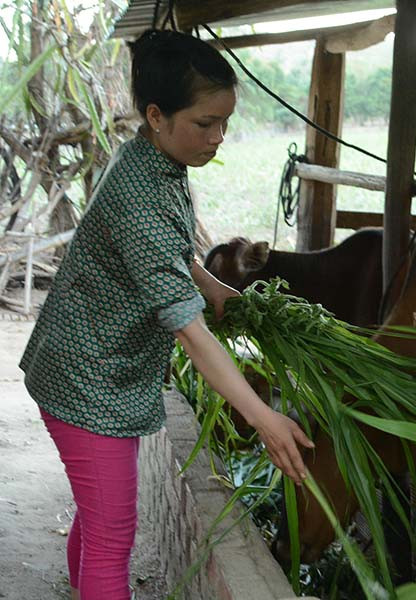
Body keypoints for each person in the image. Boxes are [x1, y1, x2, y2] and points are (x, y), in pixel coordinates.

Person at [18, 29, 313, 600]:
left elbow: (175, 257)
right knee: (113, 534)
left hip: (103, 367)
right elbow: (192, 336)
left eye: (225, 123)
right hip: (88, 379)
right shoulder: (139, 196)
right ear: (156, 115)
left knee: (99, 520)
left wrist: (219, 290)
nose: (217, 138)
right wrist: (262, 418)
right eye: (205, 123)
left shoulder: (159, 164)